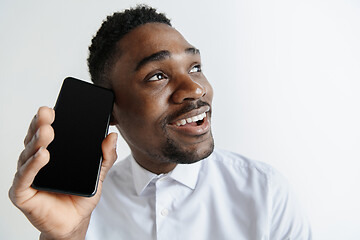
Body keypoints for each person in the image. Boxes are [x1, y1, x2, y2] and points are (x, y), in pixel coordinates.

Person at [9, 5, 311, 240]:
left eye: (195, 67)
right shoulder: (82, 209)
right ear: (110, 109)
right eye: (158, 76)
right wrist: (65, 237)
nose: (195, 89)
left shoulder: (265, 192)